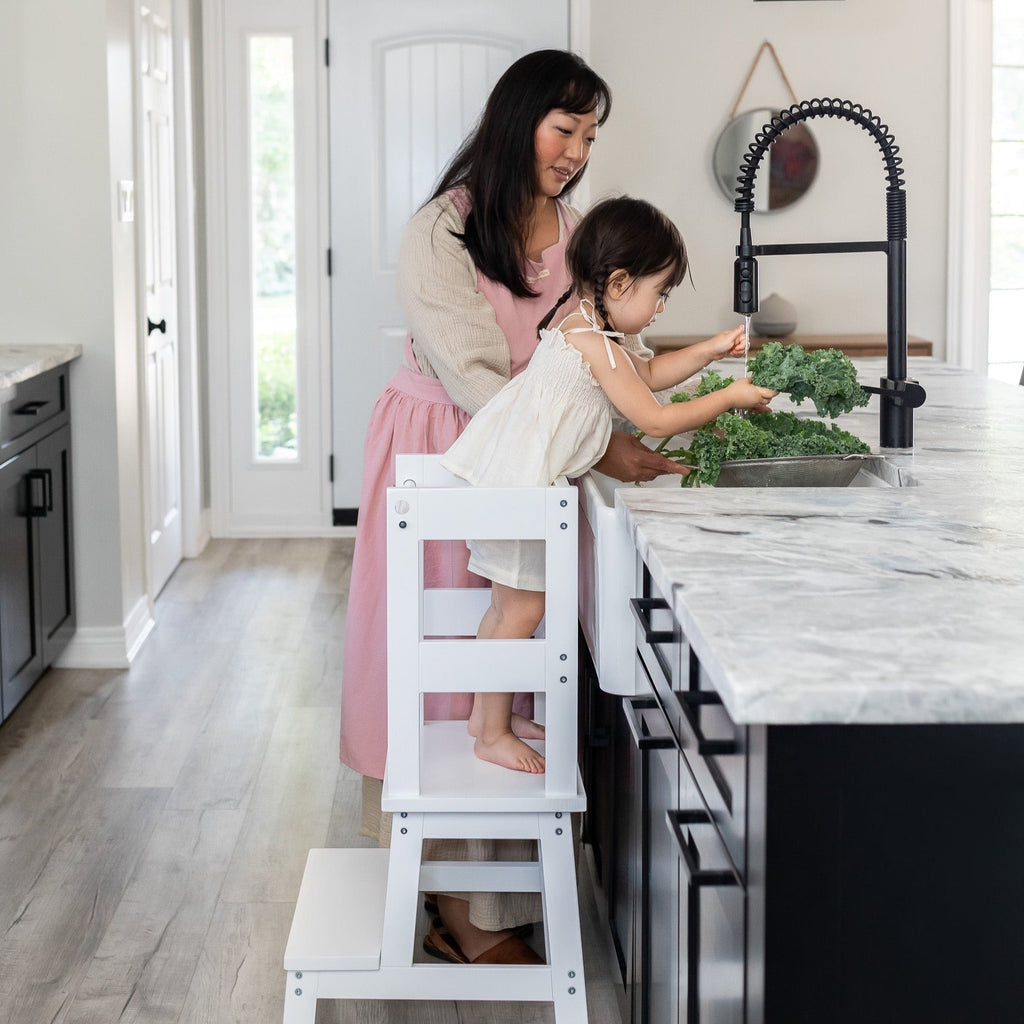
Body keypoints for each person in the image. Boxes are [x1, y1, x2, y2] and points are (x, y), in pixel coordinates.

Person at [340, 51, 684, 965]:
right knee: (445, 665)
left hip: (529, 458)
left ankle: (489, 902)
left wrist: (627, 423)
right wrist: (607, 445)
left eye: (589, 137)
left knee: (504, 658)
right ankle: (454, 912)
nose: (576, 152)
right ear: (517, 119)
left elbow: (588, 357)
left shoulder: (574, 231)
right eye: (564, 129)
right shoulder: (441, 231)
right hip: (448, 451)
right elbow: (482, 379)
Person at [442, 196, 777, 774]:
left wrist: (713, 349)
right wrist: (729, 395)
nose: (661, 306)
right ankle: (491, 733)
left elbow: (645, 375)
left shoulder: (588, 326)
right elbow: (654, 417)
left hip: (513, 485)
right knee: (520, 612)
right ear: (619, 282)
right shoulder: (592, 343)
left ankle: (484, 716)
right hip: (523, 493)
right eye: (660, 292)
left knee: (505, 610)